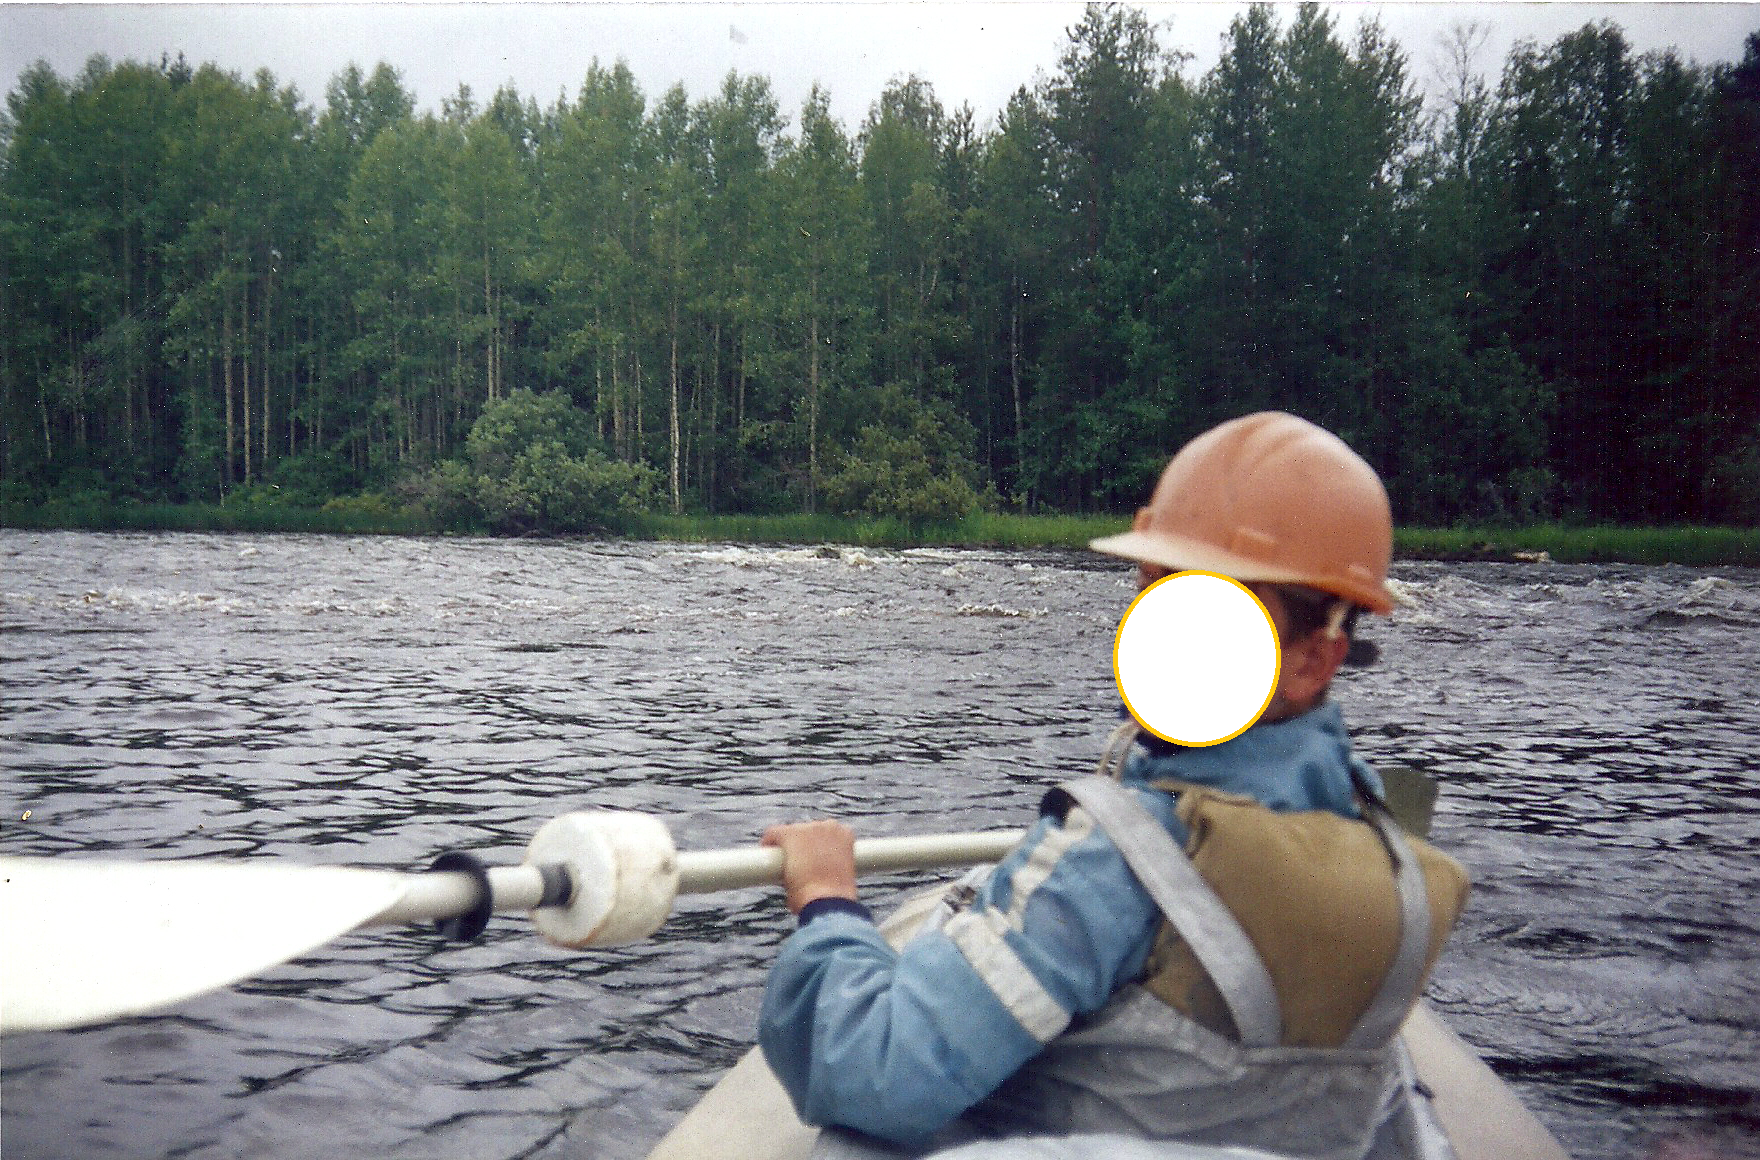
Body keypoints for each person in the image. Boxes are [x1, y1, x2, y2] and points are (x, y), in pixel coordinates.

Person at [757, 412, 1469, 1160]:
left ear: (1315, 661)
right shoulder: (1392, 857)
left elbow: (875, 1073)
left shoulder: (1112, 857)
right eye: (1154, 593)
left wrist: (827, 902)